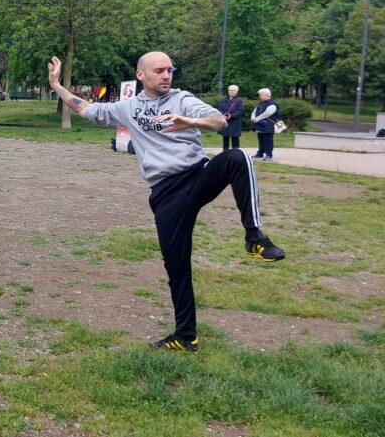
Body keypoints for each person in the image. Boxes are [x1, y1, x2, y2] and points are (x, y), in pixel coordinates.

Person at [47, 52, 285, 352]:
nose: (167, 75)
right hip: (166, 193)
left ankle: (255, 236)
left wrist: (191, 121)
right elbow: (86, 110)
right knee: (176, 267)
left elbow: (217, 121)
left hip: (198, 175)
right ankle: (186, 337)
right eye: (159, 70)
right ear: (141, 75)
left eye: (170, 70)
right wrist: (56, 84)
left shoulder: (182, 99)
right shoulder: (127, 108)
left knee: (237, 158)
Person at [251, 88, 278, 162]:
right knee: (261, 140)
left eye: (261, 95)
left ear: (266, 95)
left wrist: (257, 119)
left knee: (268, 141)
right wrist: (253, 118)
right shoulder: (261, 103)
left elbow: (267, 113)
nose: (259, 97)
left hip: (268, 126)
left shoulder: (272, 104)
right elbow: (254, 111)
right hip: (260, 125)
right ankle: (260, 153)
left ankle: (269, 155)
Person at [217, 84, 244, 151]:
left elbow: (240, 110)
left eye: (232, 90)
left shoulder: (239, 101)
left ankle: (236, 154)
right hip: (225, 122)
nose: (230, 92)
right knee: (225, 139)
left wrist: (231, 116)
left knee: (235, 140)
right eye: (229, 90)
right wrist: (222, 115)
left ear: (236, 91)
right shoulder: (224, 100)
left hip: (234, 123)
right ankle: (225, 153)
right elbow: (219, 108)